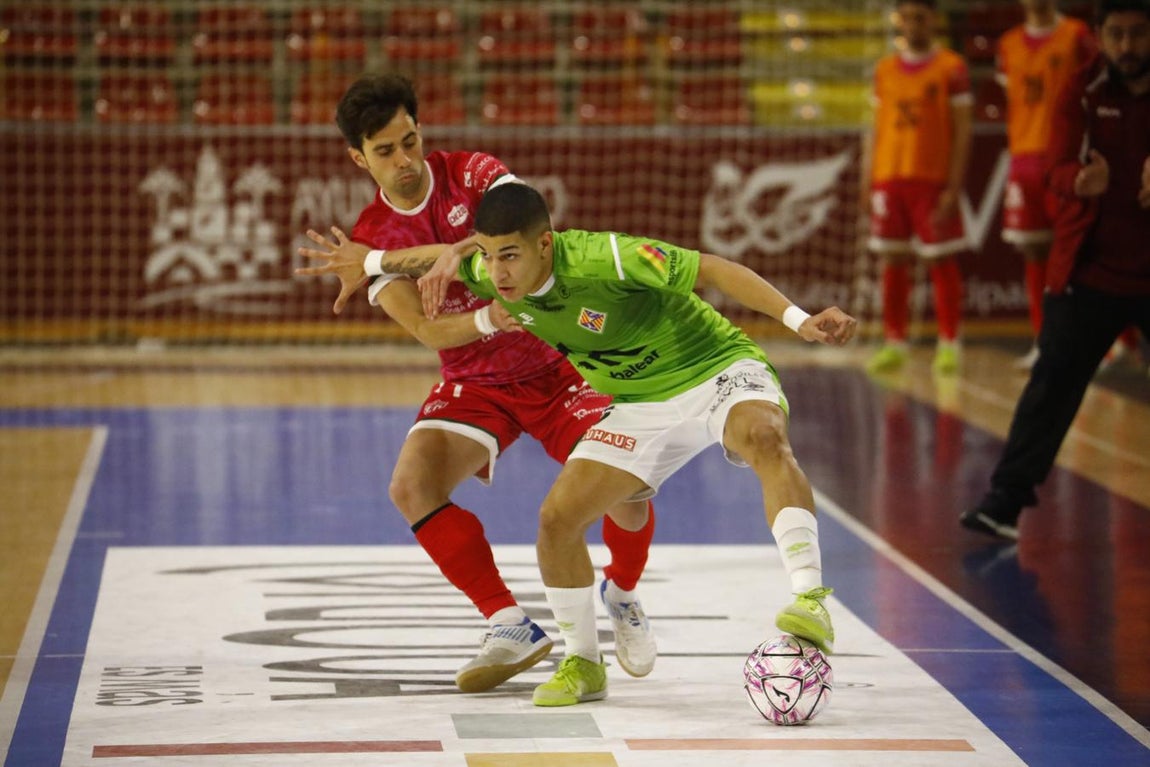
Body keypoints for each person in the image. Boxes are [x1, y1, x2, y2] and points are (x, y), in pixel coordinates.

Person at [325, 182, 857, 706]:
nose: (497, 272)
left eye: (509, 255)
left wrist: (799, 320)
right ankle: (583, 663)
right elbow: (436, 258)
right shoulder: (491, 274)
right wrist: (372, 263)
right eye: (487, 257)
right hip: (636, 402)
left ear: (544, 245)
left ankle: (810, 598)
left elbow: (713, 269)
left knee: (764, 437)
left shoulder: (607, 257)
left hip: (711, 367)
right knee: (557, 520)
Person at [298, 74, 658, 692]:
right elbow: (431, 334)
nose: (405, 160)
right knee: (411, 485)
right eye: (385, 151)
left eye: (410, 141)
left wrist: (449, 251)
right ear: (359, 158)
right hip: (477, 379)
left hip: (559, 360)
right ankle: (508, 622)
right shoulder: (371, 238)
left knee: (628, 489)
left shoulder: (475, 173)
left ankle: (621, 591)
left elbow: (519, 223)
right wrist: (494, 311)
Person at [961, 0, 1150, 541]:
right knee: (1049, 389)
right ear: (1100, 35)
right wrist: (1077, 182)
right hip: (1090, 270)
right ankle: (1004, 503)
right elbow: (1054, 166)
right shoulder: (1081, 89)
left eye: (1138, 34)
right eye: (1117, 34)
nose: (1127, 47)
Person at [861, 0, 973, 376]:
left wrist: (953, 184)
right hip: (890, 178)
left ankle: (949, 344)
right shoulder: (885, 70)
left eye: (920, 18)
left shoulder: (951, 68)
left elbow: (962, 131)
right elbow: (875, 128)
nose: (912, 25)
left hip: (931, 178)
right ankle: (895, 341)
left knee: (941, 260)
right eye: (906, 18)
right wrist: (869, 177)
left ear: (934, 21)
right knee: (893, 261)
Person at [996, 1, 1095, 370]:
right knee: (1035, 253)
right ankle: (1045, 340)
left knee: (1079, 252)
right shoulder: (1007, 44)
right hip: (1023, 159)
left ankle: (1104, 340)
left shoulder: (1077, 36)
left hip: (1067, 156)